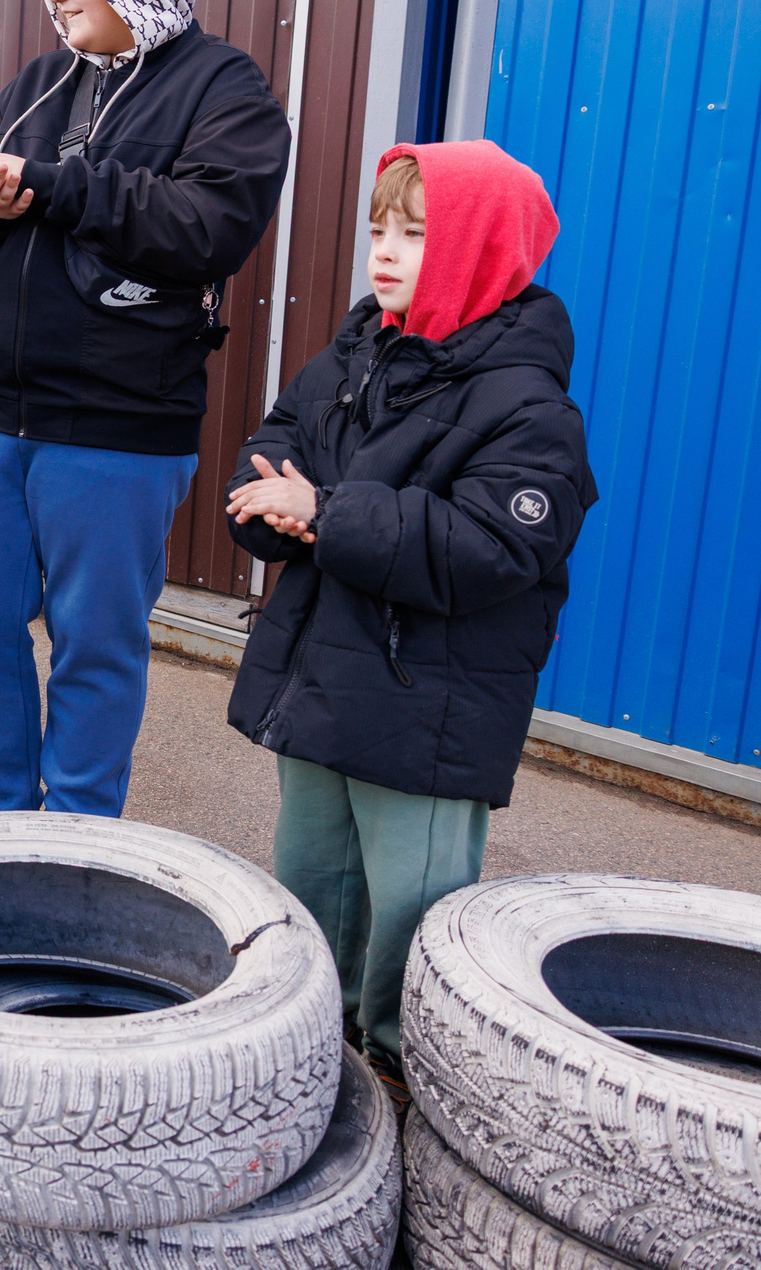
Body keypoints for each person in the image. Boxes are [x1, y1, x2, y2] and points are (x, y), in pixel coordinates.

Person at [225, 142, 593, 1094]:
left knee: (412, 909)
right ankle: (311, 1044)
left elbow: (492, 545)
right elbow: (278, 442)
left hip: (426, 708)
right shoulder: (356, 348)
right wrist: (269, 503)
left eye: (419, 234)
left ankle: (402, 1065)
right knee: (311, 876)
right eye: (381, 228)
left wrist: (325, 512)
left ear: (481, 250)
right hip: (321, 684)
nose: (384, 251)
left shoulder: (528, 405)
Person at [0, 0, 290, 816]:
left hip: (121, 425)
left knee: (94, 642)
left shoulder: (225, 87)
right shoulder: (39, 83)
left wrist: (55, 186)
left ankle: (81, 837)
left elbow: (209, 226)